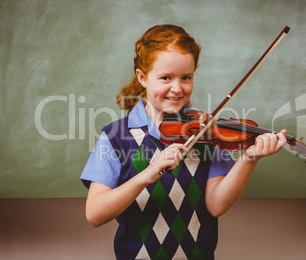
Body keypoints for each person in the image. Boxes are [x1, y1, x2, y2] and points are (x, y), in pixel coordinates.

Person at [80, 24, 287, 259]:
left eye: (186, 77)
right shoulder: (115, 137)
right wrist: (147, 175)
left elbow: (216, 205)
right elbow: (95, 214)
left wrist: (250, 158)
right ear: (142, 77)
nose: (177, 88)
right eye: (166, 77)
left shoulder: (206, 132)